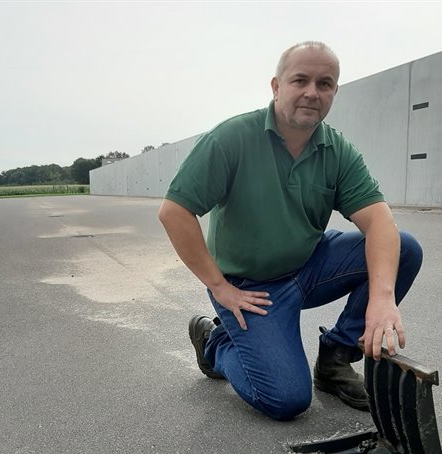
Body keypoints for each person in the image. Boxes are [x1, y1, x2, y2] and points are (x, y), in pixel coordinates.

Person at [158, 42, 423, 421]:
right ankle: (216, 342)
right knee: (285, 399)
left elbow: (379, 222)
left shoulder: (337, 150)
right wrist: (219, 286)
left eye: (325, 83)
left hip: (309, 266)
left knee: (405, 248)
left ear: (334, 92)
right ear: (276, 86)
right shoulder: (232, 139)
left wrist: (382, 298)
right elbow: (175, 212)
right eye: (300, 80)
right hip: (251, 290)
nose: (312, 92)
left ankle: (335, 359)